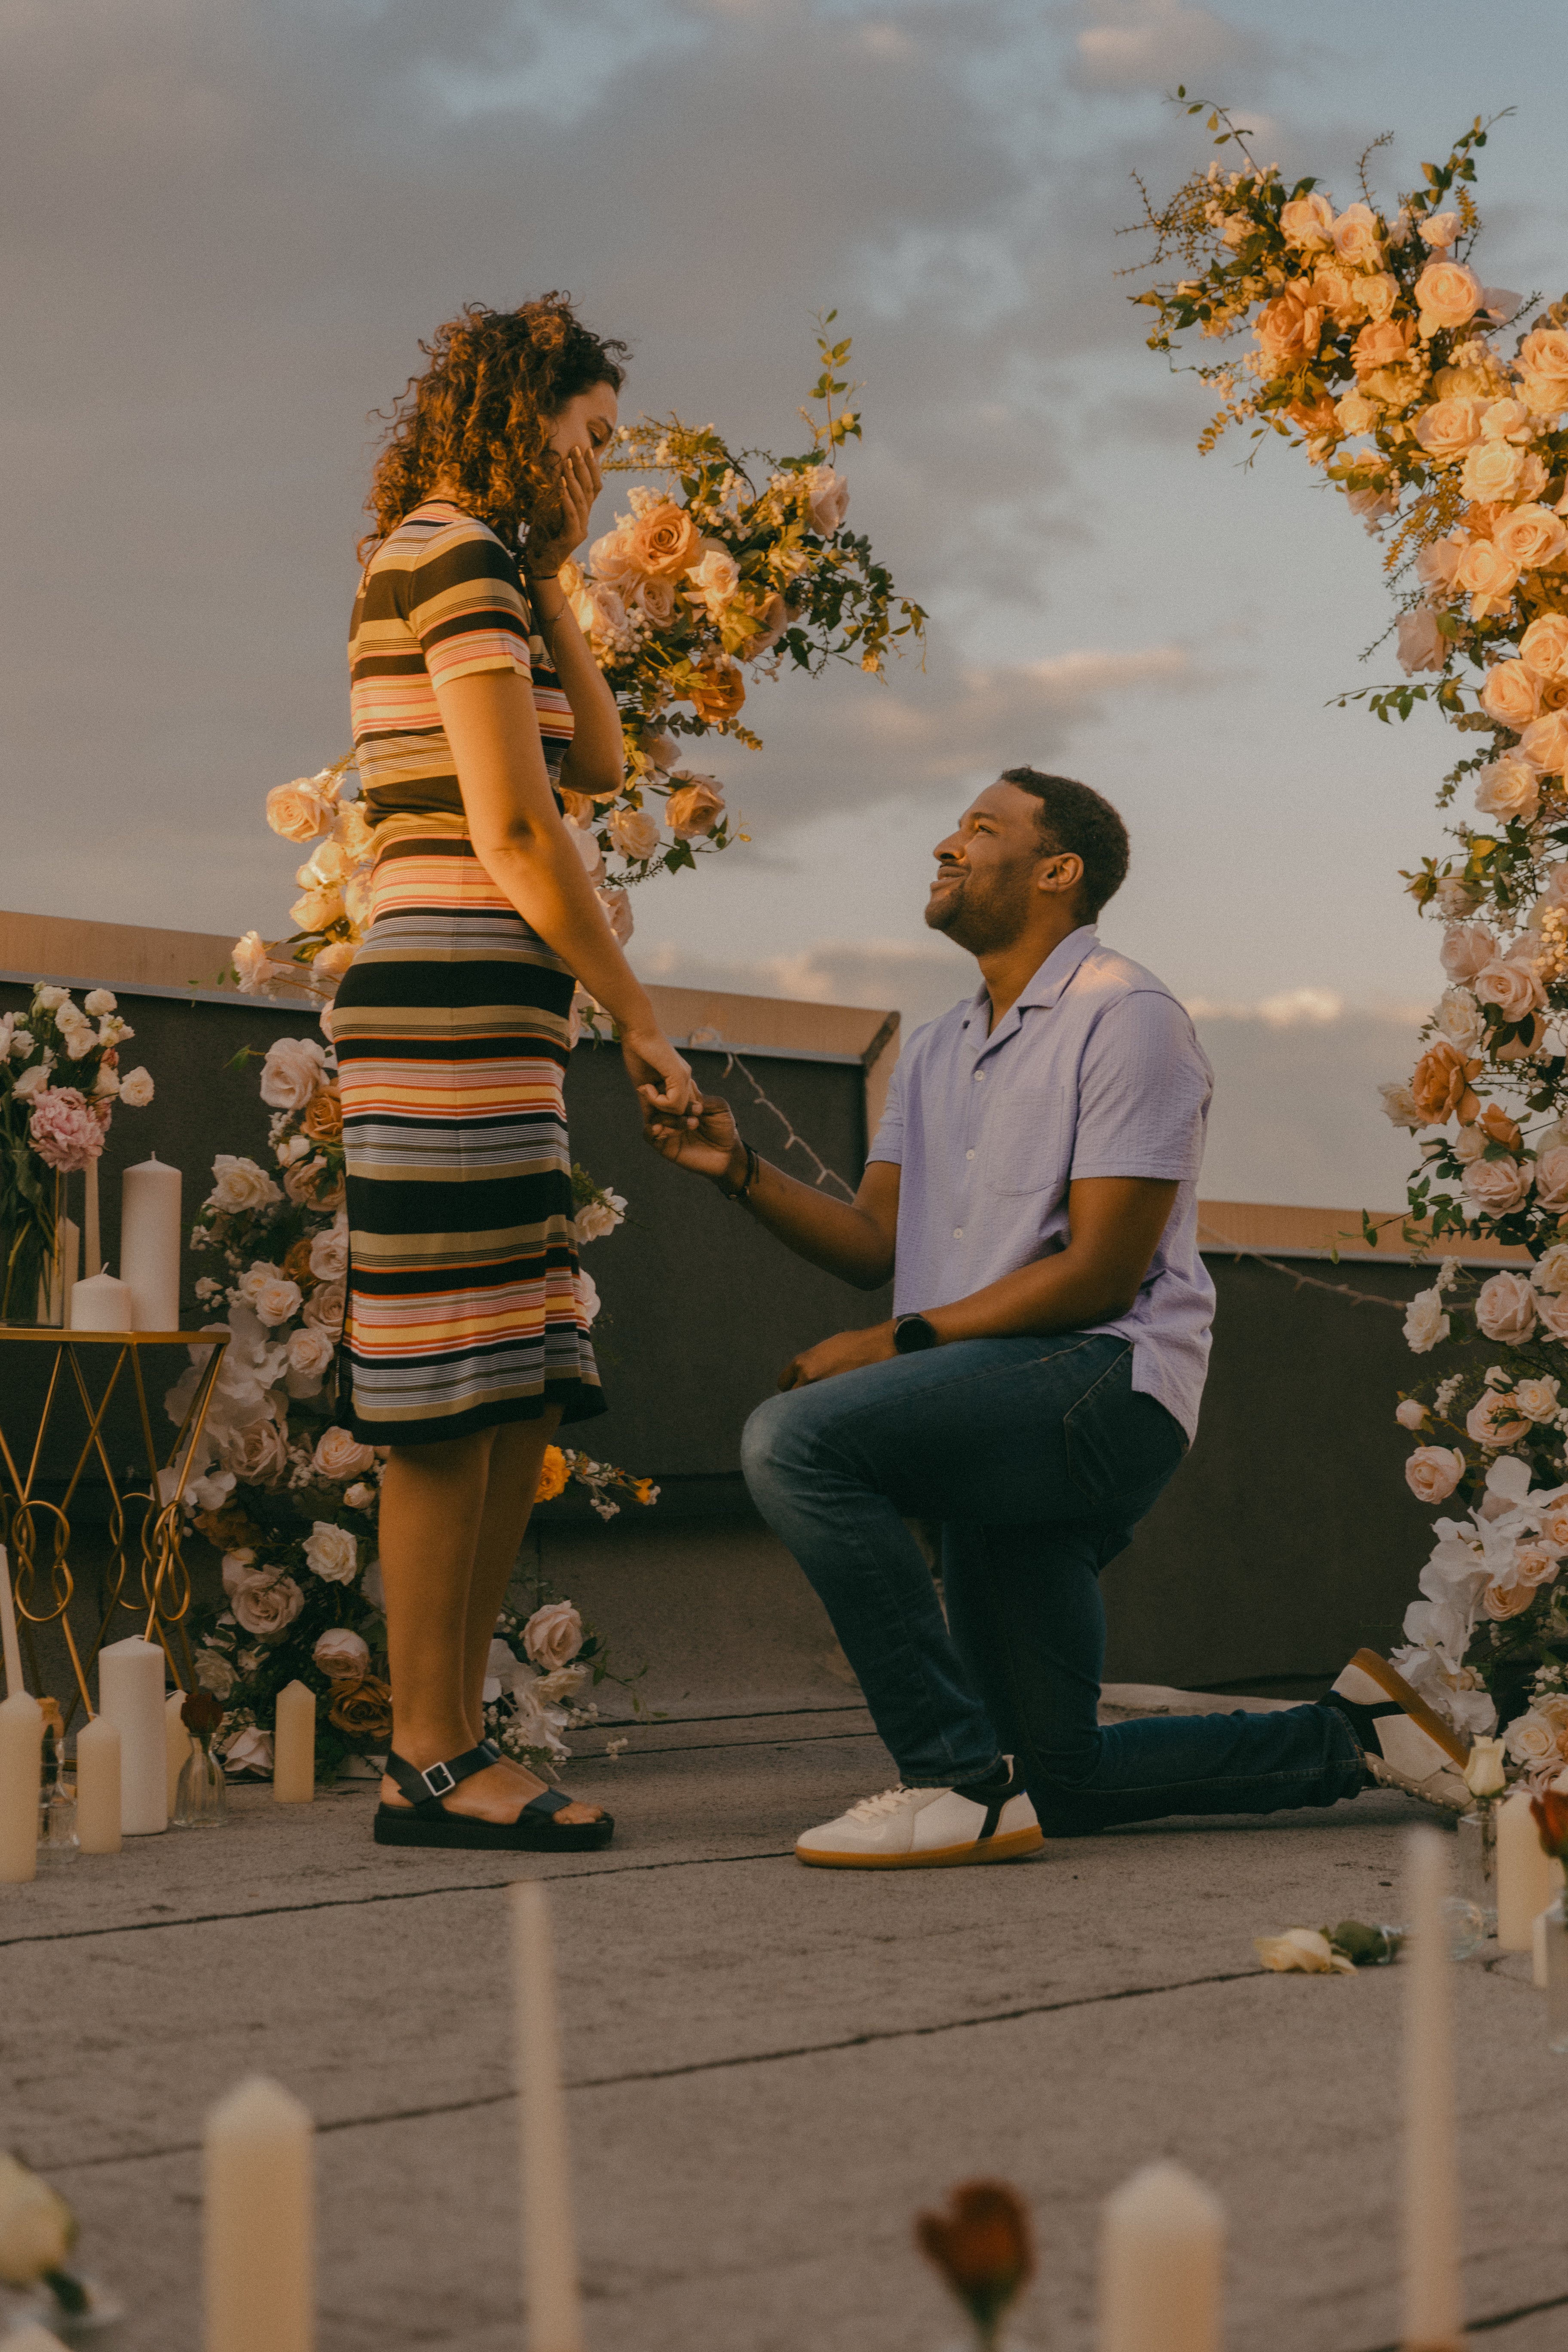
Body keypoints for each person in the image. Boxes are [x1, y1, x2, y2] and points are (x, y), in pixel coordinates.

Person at [642, 768, 1468, 1866]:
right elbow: (871, 1245)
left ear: (1057, 871)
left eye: (979, 829)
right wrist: (735, 1166)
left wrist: (893, 1345)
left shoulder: (1130, 1019)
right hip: (985, 1400)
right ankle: (1353, 1737)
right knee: (1059, 1778)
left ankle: (949, 1778)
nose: (945, 844)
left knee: (795, 1442)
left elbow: (1103, 1276)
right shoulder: (935, 1050)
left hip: (1100, 1384)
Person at [334, 297, 699, 1852]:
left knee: (495, 1386)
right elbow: (509, 826)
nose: (600, 471)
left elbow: (600, 767)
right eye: (588, 438)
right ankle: (427, 1754)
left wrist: (556, 574)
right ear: (517, 410)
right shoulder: (446, 553)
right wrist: (636, 1010)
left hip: (496, 1011)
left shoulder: (489, 565)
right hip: (448, 1003)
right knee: (441, 1394)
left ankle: (454, 1738)